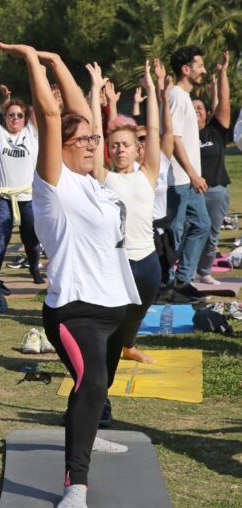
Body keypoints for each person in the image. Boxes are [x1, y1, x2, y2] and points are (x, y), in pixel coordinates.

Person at [0, 40, 139, 508]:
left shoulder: (94, 184)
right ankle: (76, 482)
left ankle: (88, 437)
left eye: (97, 141)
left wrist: (60, 62)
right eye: (88, 141)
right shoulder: (53, 188)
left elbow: (79, 114)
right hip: (74, 311)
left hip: (115, 307)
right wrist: (35, 63)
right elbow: (54, 118)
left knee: (98, 386)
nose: (96, 146)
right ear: (63, 149)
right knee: (91, 383)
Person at [93, 61, 160, 368]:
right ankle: (106, 360)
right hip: (116, 261)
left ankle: (128, 347)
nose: (120, 149)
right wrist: (95, 93)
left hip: (147, 260)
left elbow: (156, 130)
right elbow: (95, 133)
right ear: (109, 150)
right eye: (115, 145)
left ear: (137, 149)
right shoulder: (104, 176)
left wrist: (151, 89)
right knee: (114, 314)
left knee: (138, 311)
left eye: (126, 145)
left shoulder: (148, 173)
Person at [0, 64, 43, 284]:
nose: (15, 118)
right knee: (0, 239)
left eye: (19, 115)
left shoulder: (32, 133)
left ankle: (34, 269)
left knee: (31, 240)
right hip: (2, 197)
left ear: (25, 117)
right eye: (11, 115)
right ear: (4, 117)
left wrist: (38, 73)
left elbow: (41, 103)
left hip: (27, 197)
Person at [165, 45, 210, 299]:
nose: (203, 70)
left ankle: (182, 281)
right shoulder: (177, 96)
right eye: (199, 65)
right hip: (178, 180)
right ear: (186, 69)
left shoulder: (183, 98)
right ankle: (167, 285)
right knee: (174, 231)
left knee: (202, 224)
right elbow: (173, 138)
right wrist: (192, 173)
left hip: (188, 181)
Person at [195, 52, 231, 286]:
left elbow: (224, 105)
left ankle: (204, 270)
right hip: (193, 191)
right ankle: (185, 272)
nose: (196, 109)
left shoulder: (214, 132)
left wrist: (222, 73)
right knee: (191, 233)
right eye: (192, 107)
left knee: (212, 232)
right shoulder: (180, 135)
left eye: (200, 107)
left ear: (207, 114)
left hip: (217, 190)